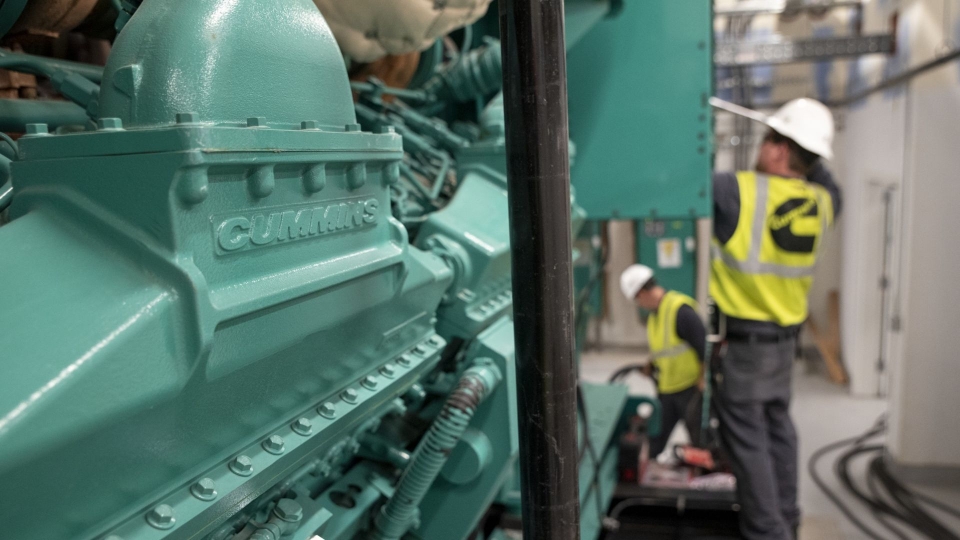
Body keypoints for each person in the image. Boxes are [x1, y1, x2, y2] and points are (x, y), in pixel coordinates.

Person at [711, 98, 842, 540]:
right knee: (778, 431)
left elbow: (682, 179)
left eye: (769, 138)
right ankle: (788, 521)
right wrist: (803, 147)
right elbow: (824, 176)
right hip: (785, 348)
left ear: (780, 150)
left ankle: (769, 534)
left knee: (749, 447)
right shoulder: (825, 202)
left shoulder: (737, 192)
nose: (762, 146)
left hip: (746, 350)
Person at [620, 264, 706, 459]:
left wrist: (703, 380)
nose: (639, 304)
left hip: (690, 390)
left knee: (701, 442)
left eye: (636, 300)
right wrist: (651, 364)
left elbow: (704, 347)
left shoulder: (680, 310)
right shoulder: (654, 317)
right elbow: (665, 350)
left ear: (641, 293)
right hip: (667, 391)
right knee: (654, 441)